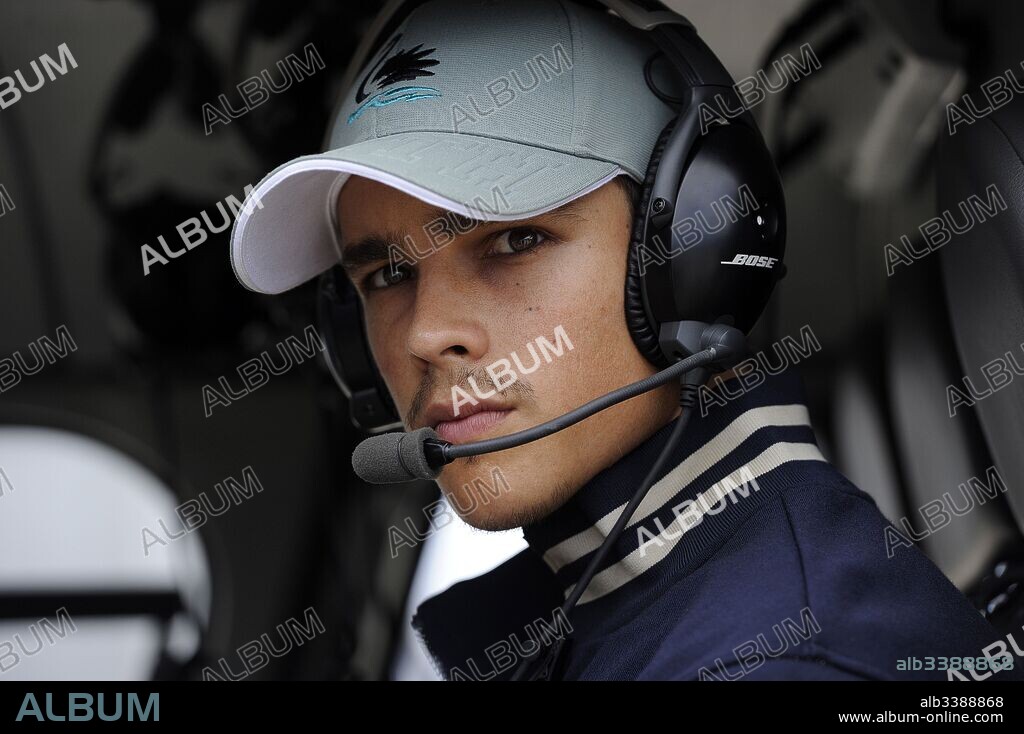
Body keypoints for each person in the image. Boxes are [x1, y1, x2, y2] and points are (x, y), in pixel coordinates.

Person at [229, 0, 1022, 681]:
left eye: (513, 242)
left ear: (690, 259)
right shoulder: (617, 610)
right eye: (386, 276)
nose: (427, 334)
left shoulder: (776, 661)